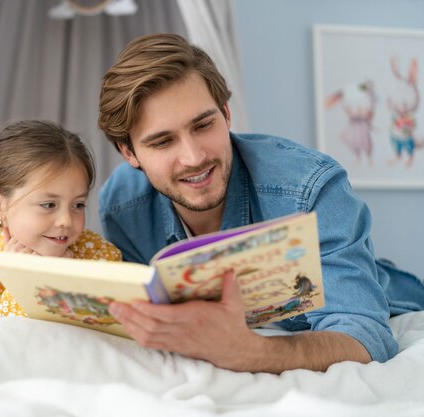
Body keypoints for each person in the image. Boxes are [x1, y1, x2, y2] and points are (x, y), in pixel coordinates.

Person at [97, 33, 424, 373]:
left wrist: (250, 352)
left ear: (225, 114)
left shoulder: (309, 189)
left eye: (203, 125)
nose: (193, 157)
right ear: (129, 153)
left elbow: (367, 337)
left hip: (390, 299)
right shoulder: (122, 205)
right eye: (163, 142)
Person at [0, 120, 121, 329]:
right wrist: (25, 283)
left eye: (78, 204)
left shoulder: (100, 256)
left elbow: (110, 337)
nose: (66, 220)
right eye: (48, 204)